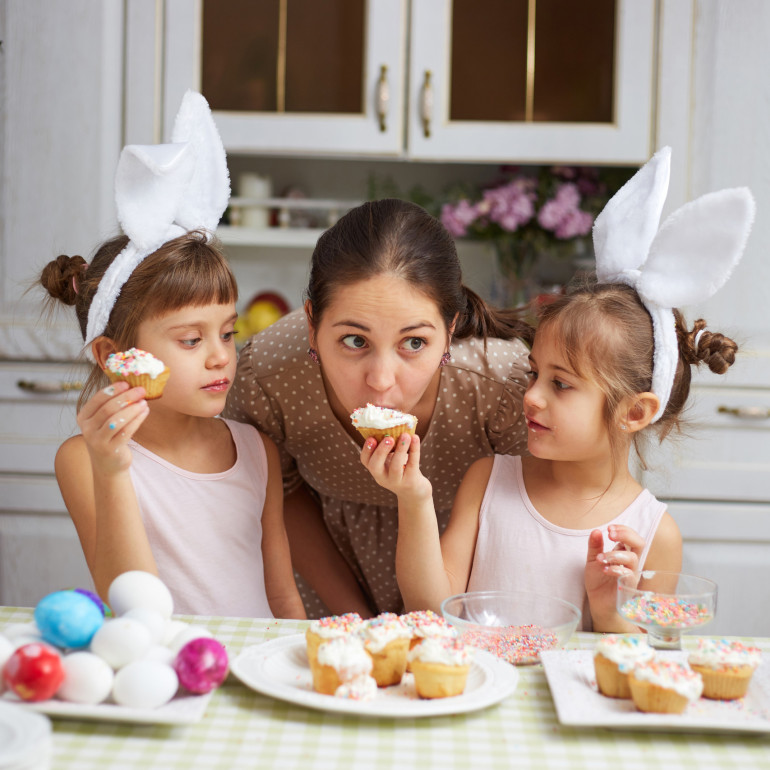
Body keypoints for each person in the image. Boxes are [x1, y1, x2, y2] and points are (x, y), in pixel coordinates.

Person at [361, 147, 755, 631]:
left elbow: (641, 667)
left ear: (634, 413)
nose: (531, 395)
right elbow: (430, 610)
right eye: (534, 373)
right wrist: (414, 497)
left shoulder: (654, 535)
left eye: (561, 384)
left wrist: (610, 609)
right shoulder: (487, 481)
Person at [40, 92, 305, 619]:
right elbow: (128, 600)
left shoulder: (257, 451)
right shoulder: (86, 461)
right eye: (191, 340)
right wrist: (112, 470)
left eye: (228, 334)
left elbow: (281, 596)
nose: (219, 358)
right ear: (114, 355)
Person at [225, 198, 535, 618]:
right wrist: (356, 617)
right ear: (313, 327)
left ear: (450, 330)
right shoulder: (270, 373)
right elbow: (281, 492)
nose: (381, 380)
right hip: (326, 594)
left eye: (414, 343)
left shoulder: (502, 388)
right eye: (355, 341)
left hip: (466, 600)